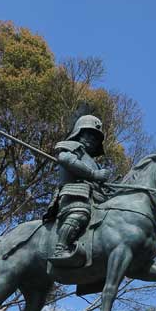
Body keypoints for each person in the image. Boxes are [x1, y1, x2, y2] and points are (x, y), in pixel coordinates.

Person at [46, 114, 111, 266]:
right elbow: (65, 159)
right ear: (79, 132)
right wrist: (94, 174)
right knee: (80, 213)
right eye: (89, 134)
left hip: (94, 198)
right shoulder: (71, 147)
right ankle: (60, 248)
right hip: (75, 194)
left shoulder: (94, 162)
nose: (92, 139)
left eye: (95, 138)